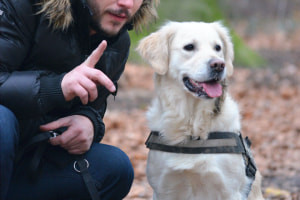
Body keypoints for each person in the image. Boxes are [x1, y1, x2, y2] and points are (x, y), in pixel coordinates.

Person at [0, 0, 159, 199]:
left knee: (115, 168)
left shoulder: (117, 41)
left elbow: (94, 106)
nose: (126, 3)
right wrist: (56, 87)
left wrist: (89, 122)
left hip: (31, 162)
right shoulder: (22, 5)